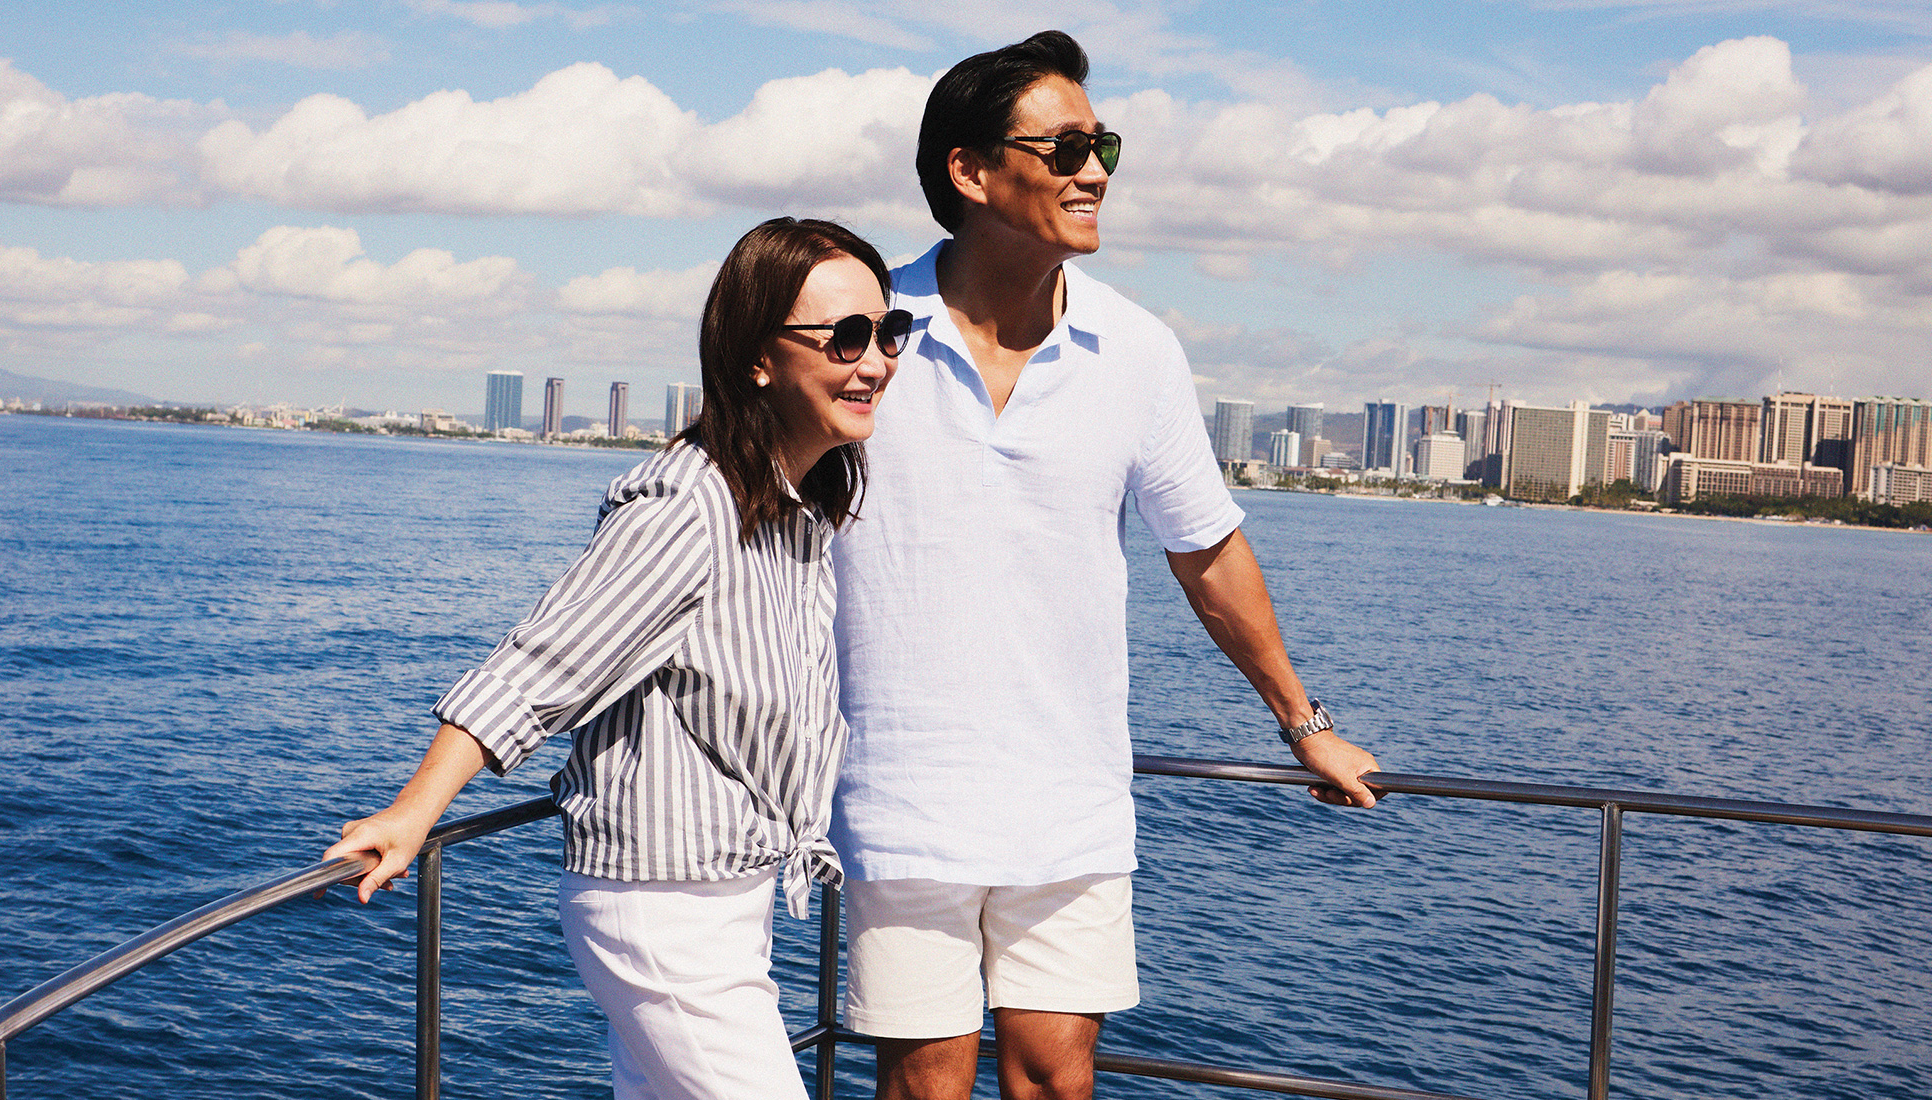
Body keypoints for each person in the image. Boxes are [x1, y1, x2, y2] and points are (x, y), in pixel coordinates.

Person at [827, 31, 1384, 1100]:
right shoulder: (867, 332)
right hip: (897, 791)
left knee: (1054, 1080)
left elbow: (1207, 553)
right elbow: (757, 513)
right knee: (923, 1084)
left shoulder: (1136, 350)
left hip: (1068, 798)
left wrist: (1303, 724)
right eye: (1066, 146)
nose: (1094, 172)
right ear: (970, 169)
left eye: (1103, 145)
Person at [325, 217, 910, 1100]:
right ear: (758, 357)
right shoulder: (690, 506)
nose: (875, 361)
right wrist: (413, 814)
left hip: (728, 899)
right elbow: (538, 665)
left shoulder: (797, 511)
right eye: (847, 337)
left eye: (889, 332)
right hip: (664, 912)